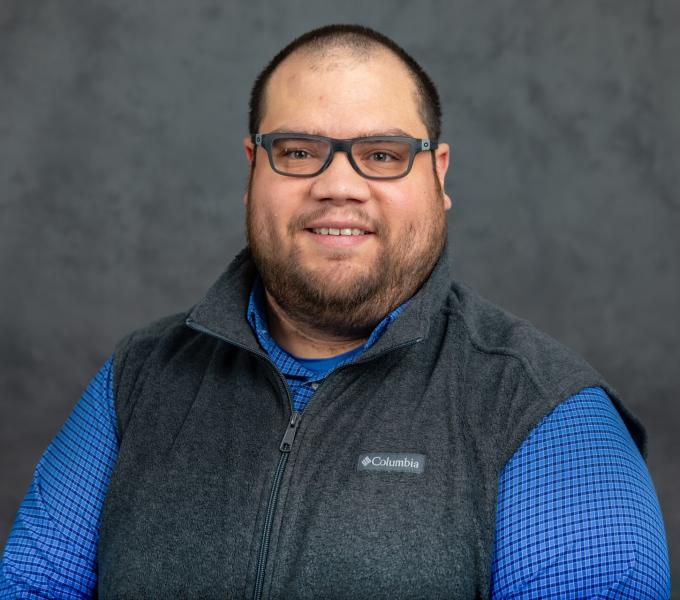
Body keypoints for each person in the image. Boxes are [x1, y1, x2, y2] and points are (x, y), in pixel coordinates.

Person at [0, 24, 671, 599]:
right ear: (251, 171)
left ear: (438, 178)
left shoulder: (545, 412)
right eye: (298, 152)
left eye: (382, 155)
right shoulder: (138, 378)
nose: (338, 186)